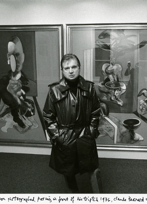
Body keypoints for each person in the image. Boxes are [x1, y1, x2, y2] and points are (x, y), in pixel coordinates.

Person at [43, 53, 102, 193]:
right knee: (69, 172)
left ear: (79, 68)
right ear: (62, 70)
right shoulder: (54, 90)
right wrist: (58, 136)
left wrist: (92, 131)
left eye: (74, 67)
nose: (71, 71)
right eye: (66, 68)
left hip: (85, 136)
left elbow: (95, 111)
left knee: (93, 170)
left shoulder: (89, 88)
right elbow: (48, 116)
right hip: (65, 138)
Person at [0, 36, 31, 129]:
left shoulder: (24, 78)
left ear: (23, 57)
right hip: (14, 103)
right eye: (11, 56)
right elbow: (10, 98)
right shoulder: (2, 82)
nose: (14, 60)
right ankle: (16, 118)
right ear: (8, 58)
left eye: (17, 55)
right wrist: (16, 100)